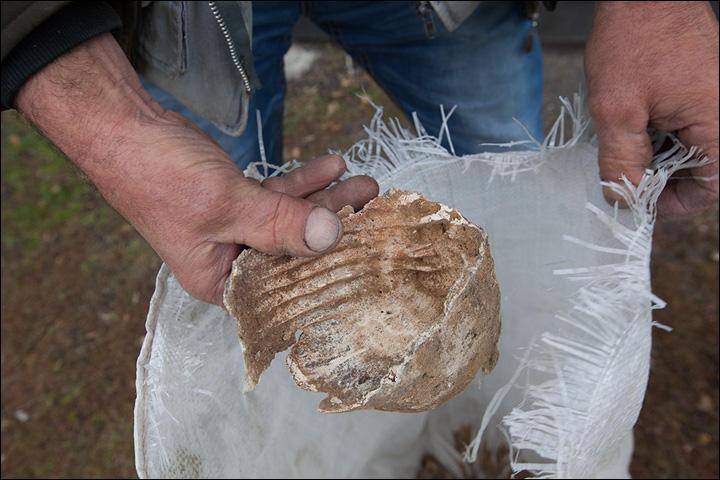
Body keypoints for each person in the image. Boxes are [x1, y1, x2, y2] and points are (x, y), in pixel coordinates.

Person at [1, 1, 718, 309]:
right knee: (236, 240)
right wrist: (114, 130)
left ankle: (509, 355)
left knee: (511, 163)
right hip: (194, 14)